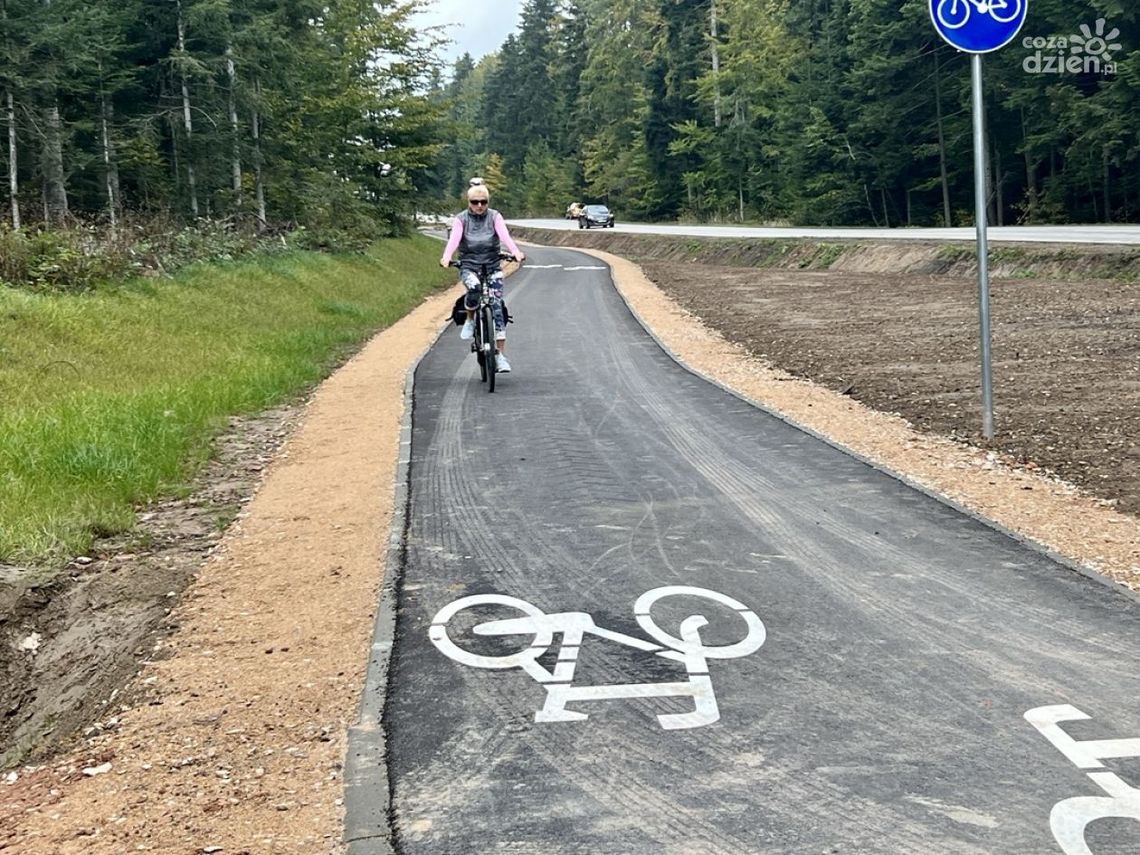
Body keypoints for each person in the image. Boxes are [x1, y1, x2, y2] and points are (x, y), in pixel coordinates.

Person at [439, 184, 525, 373]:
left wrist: (515, 252)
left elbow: (505, 236)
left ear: (488, 202)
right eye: (475, 202)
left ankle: (500, 356)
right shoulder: (461, 219)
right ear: (468, 202)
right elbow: (454, 239)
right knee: (475, 288)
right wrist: (446, 257)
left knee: (496, 306)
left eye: (483, 202)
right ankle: (470, 320)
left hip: (492, 265)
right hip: (469, 265)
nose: (479, 205)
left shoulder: (495, 216)